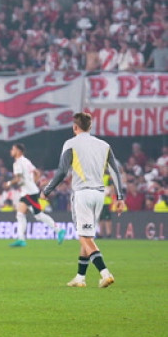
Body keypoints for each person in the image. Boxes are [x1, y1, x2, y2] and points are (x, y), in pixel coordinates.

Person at [42, 112, 126, 288]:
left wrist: (47, 190)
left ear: (75, 127)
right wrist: (120, 198)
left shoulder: (71, 144)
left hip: (82, 194)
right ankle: (80, 277)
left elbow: (62, 171)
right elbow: (115, 172)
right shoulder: (104, 145)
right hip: (99, 196)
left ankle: (105, 273)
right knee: (87, 236)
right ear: (90, 126)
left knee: (84, 238)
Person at [5, 143, 65, 247]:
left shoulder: (18, 163)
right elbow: (37, 172)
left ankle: (59, 230)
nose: (11, 151)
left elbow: (18, 179)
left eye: (13, 149)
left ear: (18, 151)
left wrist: (9, 183)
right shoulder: (26, 161)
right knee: (20, 214)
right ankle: (21, 239)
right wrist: (33, 182)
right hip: (27, 192)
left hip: (29, 193)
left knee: (38, 216)